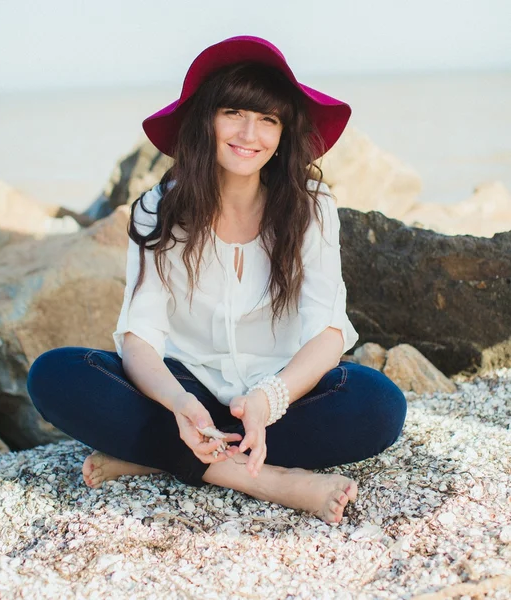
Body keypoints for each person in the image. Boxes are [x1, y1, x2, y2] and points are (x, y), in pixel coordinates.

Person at [27, 35, 407, 524]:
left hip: (282, 394)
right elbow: (139, 338)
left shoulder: (310, 204)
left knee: (379, 405)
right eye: (234, 113)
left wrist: (269, 400)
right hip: (188, 389)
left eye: (268, 120)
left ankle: (155, 456)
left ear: (283, 134)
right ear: (205, 119)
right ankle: (267, 478)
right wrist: (180, 404)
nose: (250, 133)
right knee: (56, 375)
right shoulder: (157, 210)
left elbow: (328, 332)